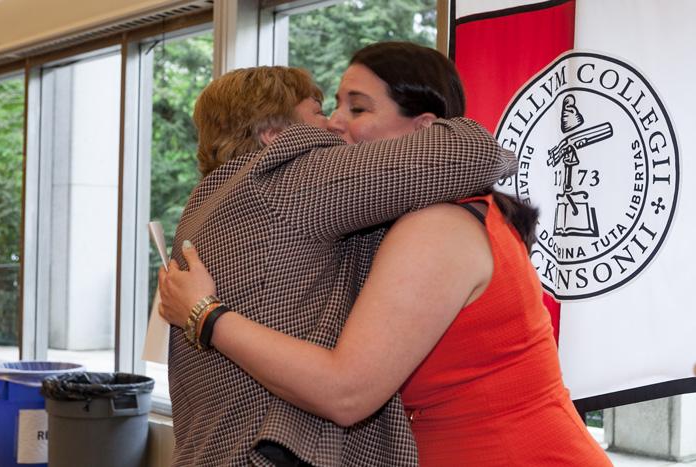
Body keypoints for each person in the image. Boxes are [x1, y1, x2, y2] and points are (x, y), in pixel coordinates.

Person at [160, 42, 612, 466]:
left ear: (424, 133)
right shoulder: (368, 217)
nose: (335, 123)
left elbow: (345, 392)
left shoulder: (436, 225)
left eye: (356, 108)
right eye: (331, 106)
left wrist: (206, 315)